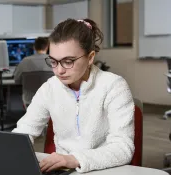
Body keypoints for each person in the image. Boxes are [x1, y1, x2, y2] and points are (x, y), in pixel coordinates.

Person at [12, 18, 135, 173]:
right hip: (63, 170)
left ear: (90, 58)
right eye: (54, 62)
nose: (59, 71)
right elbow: (25, 130)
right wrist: (9, 152)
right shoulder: (49, 88)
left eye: (68, 61)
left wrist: (74, 159)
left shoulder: (114, 86)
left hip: (103, 169)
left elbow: (123, 148)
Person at [14, 37, 52, 105]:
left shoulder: (24, 61)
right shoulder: (54, 61)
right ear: (47, 47)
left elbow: (17, 81)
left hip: (30, 102)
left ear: (34, 47)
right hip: (50, 102)